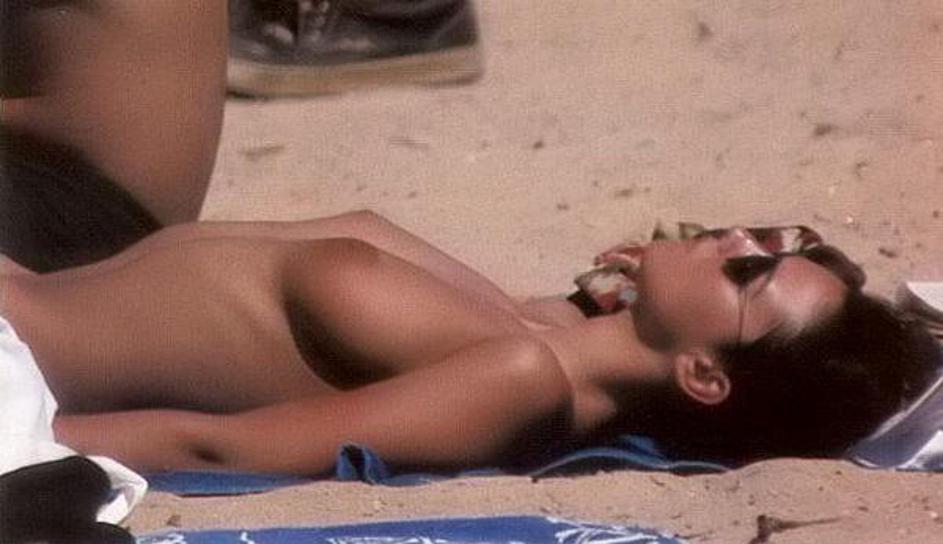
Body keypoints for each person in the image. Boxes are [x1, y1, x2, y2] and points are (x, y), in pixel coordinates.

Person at [1, 214, 939, 474]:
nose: (736, 238)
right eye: (773, 238)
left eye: (751, 273)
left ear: (700, 373)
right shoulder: (535, 336)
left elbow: (230, 448)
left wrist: (41, 445)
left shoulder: (520, 377)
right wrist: (613, 294)